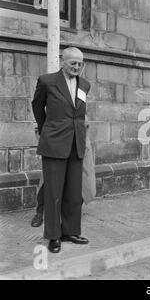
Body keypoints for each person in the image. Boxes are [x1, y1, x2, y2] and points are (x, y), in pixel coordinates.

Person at [32, 47, 91, 253]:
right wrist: (46, 128)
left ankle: (70, 231)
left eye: (80, 64)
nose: (76, 67)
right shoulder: (47, 81)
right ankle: (53, 236)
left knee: (74, 192)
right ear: (62, 61)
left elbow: (78, 112)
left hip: (76, 142)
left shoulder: (85, 84)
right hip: (54, 142)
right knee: (53, 193)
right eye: (73, 63)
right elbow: (37, 106)